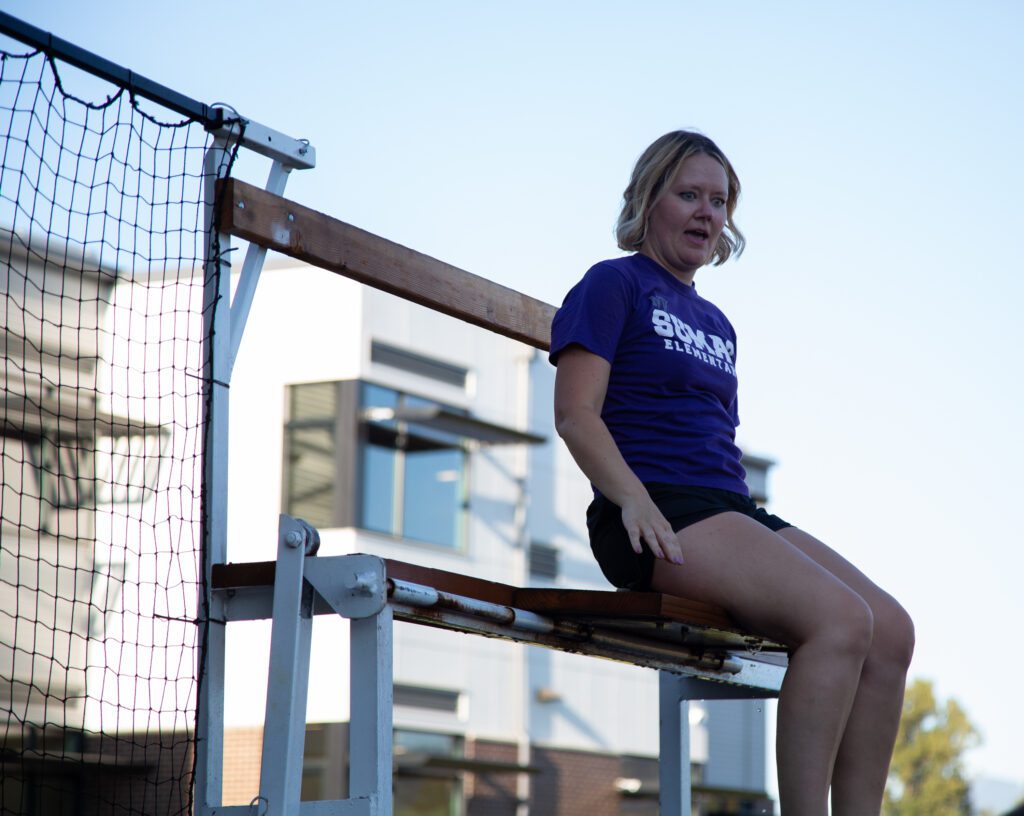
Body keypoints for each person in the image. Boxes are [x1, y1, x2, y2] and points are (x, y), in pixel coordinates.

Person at [550, 130, 914, 816]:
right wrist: (632, 500)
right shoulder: (613, 283)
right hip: (653, 512)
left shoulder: (717, 321)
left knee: (890, 629)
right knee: (838, 621)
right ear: (649, 201)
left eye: (719, 202)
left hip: (725, 507)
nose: (706, 214)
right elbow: (576, 414)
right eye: (688, 195)